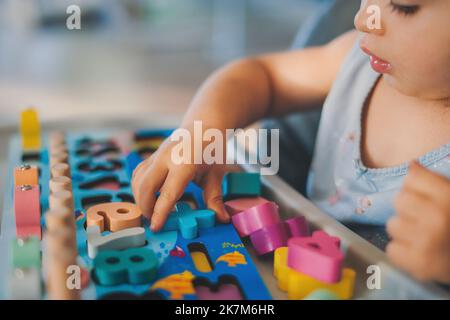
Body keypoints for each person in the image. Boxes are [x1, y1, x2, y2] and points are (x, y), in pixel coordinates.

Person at [132, 0, 450, 284]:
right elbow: (262, 76)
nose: (362, 18)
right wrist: (198, 134)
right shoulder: (357, 60)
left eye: (403, 6)